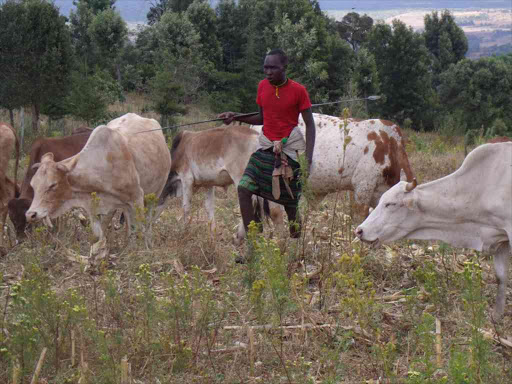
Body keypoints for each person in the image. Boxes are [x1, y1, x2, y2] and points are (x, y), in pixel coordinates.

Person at [218, 48, 316, 241]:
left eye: (273, 68)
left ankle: (295, 249)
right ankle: (254, 242)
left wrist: (308, 159)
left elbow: (310, 125)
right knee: (244, 188)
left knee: (291, 204)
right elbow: (261, 117)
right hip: (266, 148)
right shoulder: (262, 86)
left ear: (284, 67)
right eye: (266, 68)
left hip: (289, 152)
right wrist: (235, 116)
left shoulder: (299, 91)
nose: (268, 72)